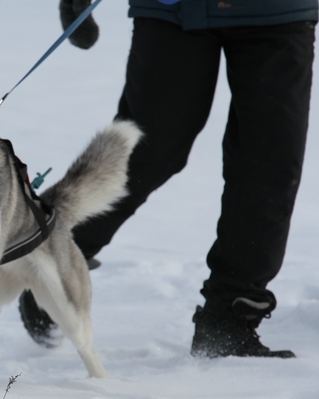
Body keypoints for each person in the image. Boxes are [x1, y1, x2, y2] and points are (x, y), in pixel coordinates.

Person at [20, 0, 318, 358]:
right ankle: (54, 264)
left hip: (278, 14)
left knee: (270, 164)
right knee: (143, 150)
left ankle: (231, 315)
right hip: (176, 10)